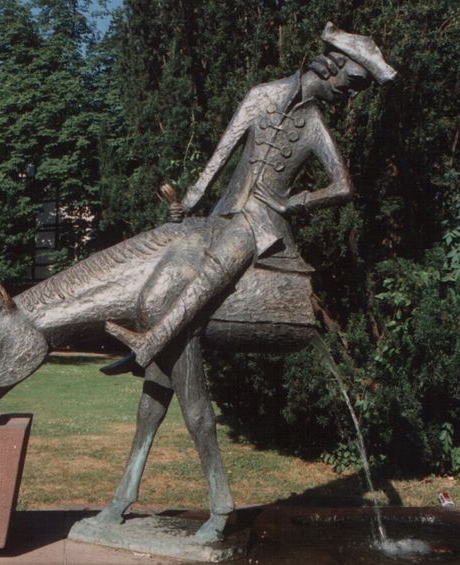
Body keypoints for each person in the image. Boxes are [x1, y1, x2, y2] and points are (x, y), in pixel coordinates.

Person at [104, 22, 396, 371]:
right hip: (224, 212)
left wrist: (294, 202)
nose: (351, 94)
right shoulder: (262, 95)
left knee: (227, 254)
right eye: (354, 83)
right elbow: (220, 154)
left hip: (263, 224)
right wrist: (190, 203)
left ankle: (153, 340)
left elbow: (343, 186)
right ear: (332, 64)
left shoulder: (315, 125)